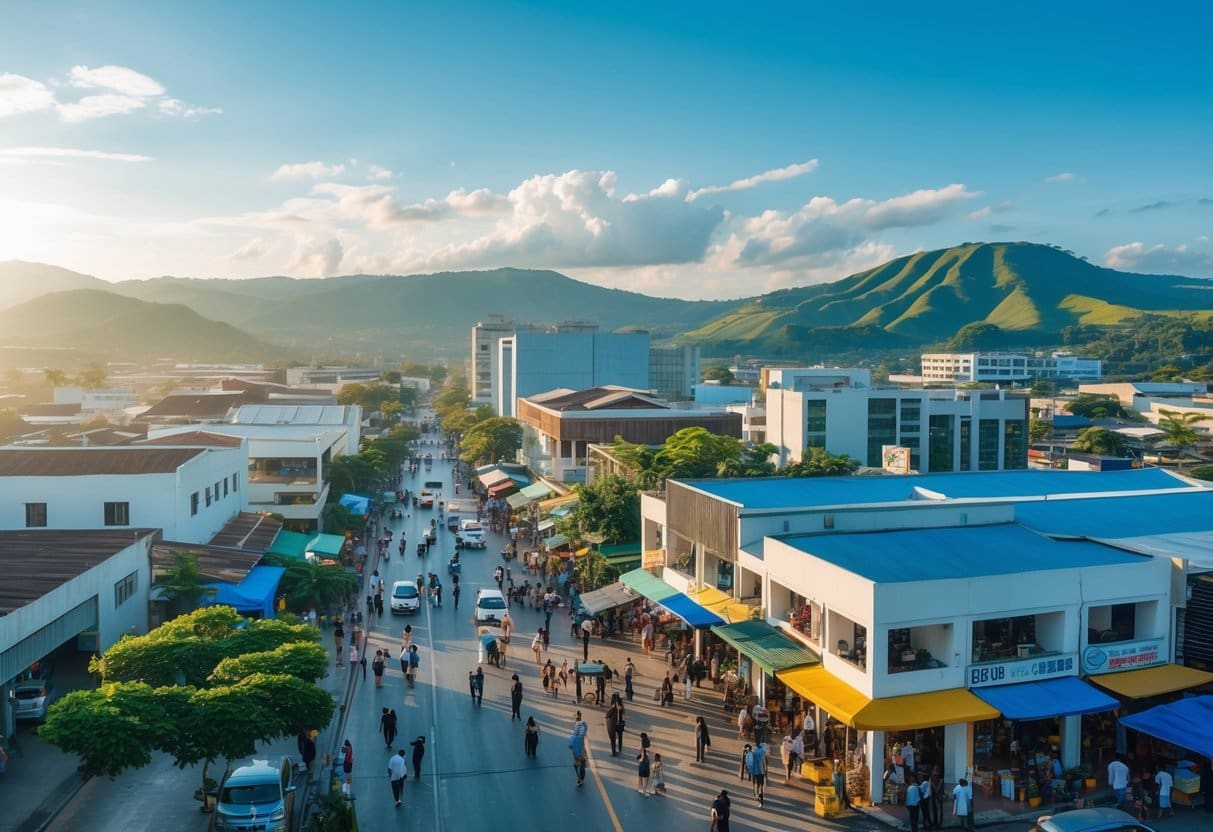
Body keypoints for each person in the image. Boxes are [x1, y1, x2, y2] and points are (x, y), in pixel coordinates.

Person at [569, 711, 589, 787]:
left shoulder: (579, 733)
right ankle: (581, 779)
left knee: (579, 766)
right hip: (579, 752)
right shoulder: (579, 732)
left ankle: (581, 779)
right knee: (578, 765)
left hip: (579, 752)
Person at [747, 741, 768, 805]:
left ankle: (756, 793)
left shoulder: (753, 752)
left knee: (756, 783)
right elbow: (765, 763)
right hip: (761, 771)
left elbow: (750, 761)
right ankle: (760, 794)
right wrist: (765, 770)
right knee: (761, 784)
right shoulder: (763, 752)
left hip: (755, 771)